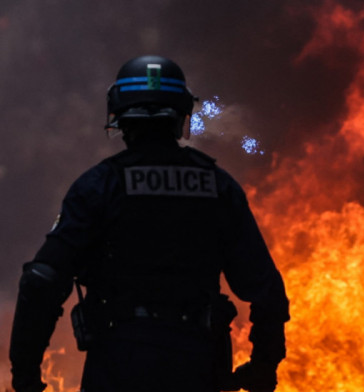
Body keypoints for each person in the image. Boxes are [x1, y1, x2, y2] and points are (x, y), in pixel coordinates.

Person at [9, 55, 290, 392]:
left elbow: (41, 281)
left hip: (118, 363)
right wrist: (263, 365)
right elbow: (267, 291)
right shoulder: (218, 187)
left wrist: (25, 376)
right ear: (181, 114)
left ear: (118, 114)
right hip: (198, 365)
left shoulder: (99, 186)